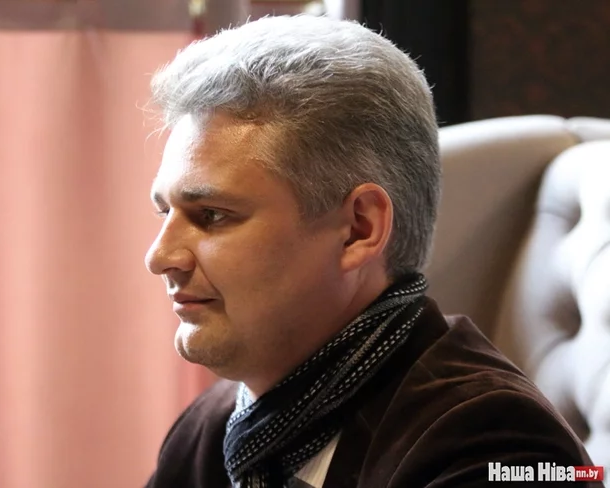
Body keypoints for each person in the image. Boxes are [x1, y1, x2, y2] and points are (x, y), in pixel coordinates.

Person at [142, 14, 595, 488]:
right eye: (164, 212)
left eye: (212, 215)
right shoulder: (212, 427)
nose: (160, 256)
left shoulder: (501, 448)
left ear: (359, 229)